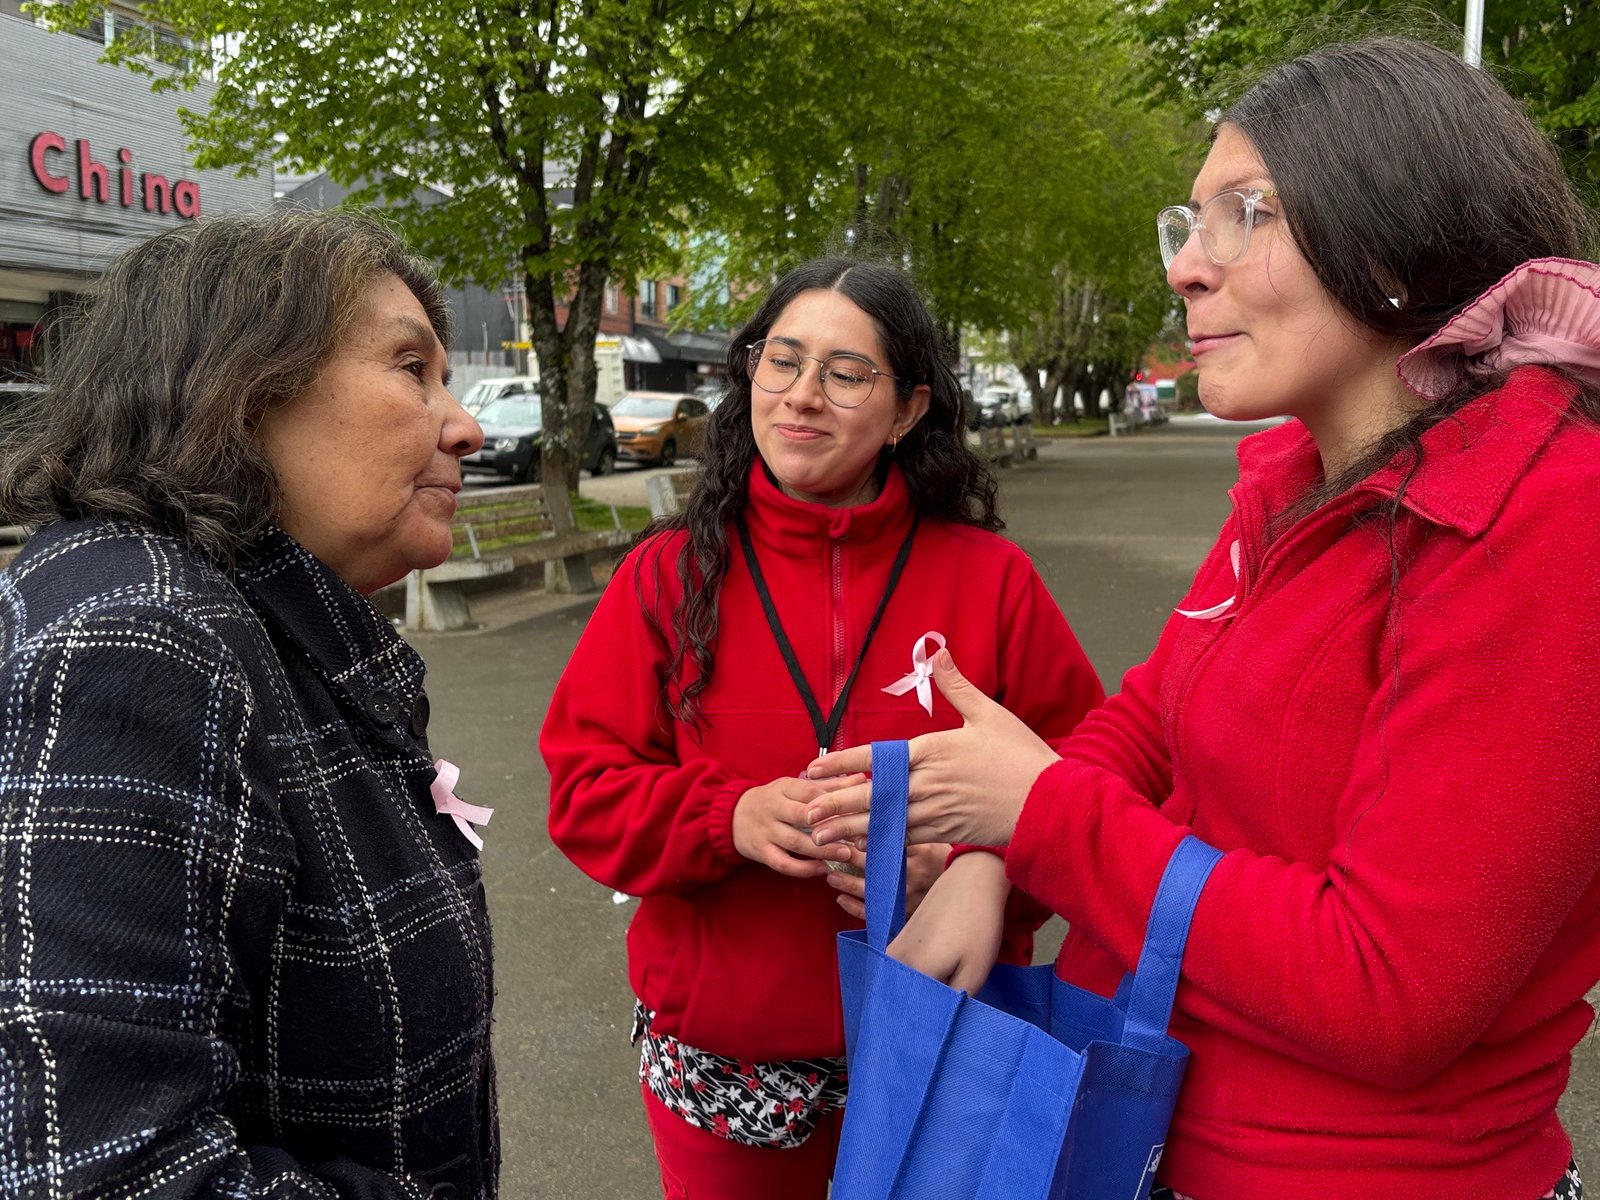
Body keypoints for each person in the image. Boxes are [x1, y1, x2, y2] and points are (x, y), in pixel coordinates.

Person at [804, 36, 1600, 1200]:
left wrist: (1043, 821)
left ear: (1395, 227)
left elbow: (1390, 991)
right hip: (1155, 1131)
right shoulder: (1293, 476)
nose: (1187, 268)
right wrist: (989, 851)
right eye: (1189, 224)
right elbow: (1151, 716)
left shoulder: (1544, 520)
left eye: (1246, 212)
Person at [541, 257, 1103, 1198]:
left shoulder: (990, 580)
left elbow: (1096, 778)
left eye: (846, 374)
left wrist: (986, 866)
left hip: (946, 1046)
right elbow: (584, 792)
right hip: (727, 1075)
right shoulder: (668, 579)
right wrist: (729, 819)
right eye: (781, 361)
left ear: (909, 409)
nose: (803, 397)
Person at [0, 210, 498, 1197]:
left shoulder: (246, 615)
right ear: (245, 386)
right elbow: (102, 1171)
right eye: (412, 367)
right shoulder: (143, 641)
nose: (467, 426)